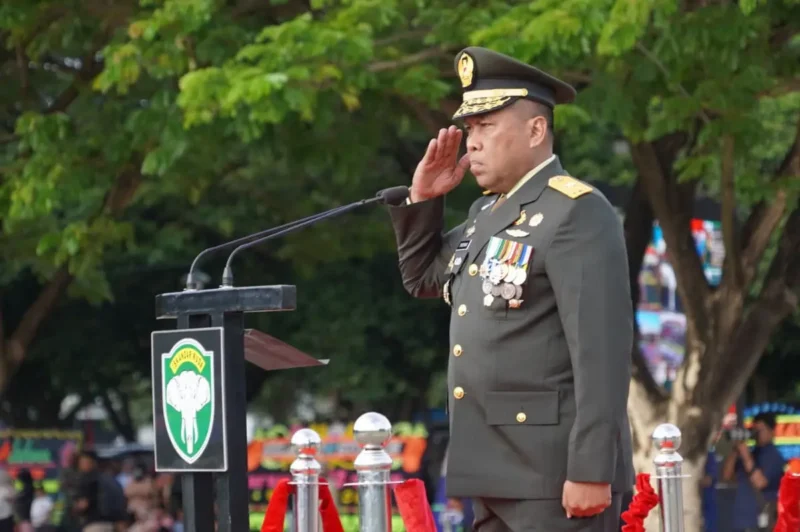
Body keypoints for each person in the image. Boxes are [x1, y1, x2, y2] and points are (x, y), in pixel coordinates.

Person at [386, 46, 634, 531]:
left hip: (554, 475)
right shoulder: (487, 215)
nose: (471, 143)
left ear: (536, 130)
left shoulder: (575, 211)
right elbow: (422, 279)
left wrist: (590, 469)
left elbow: (601, 352)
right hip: (493, 470)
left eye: (486, 127)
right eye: (470, 129)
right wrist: (422, 201)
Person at [722, 412, 785, 532]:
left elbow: (760, 482)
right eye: (754, 430)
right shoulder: (752, 454)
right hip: (741, 521)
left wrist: (745, 455)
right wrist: (736, 450)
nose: (756, 434)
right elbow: (727, 476)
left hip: (762, 522)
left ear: (771, 431)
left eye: (760, 430)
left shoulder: (774, 456)